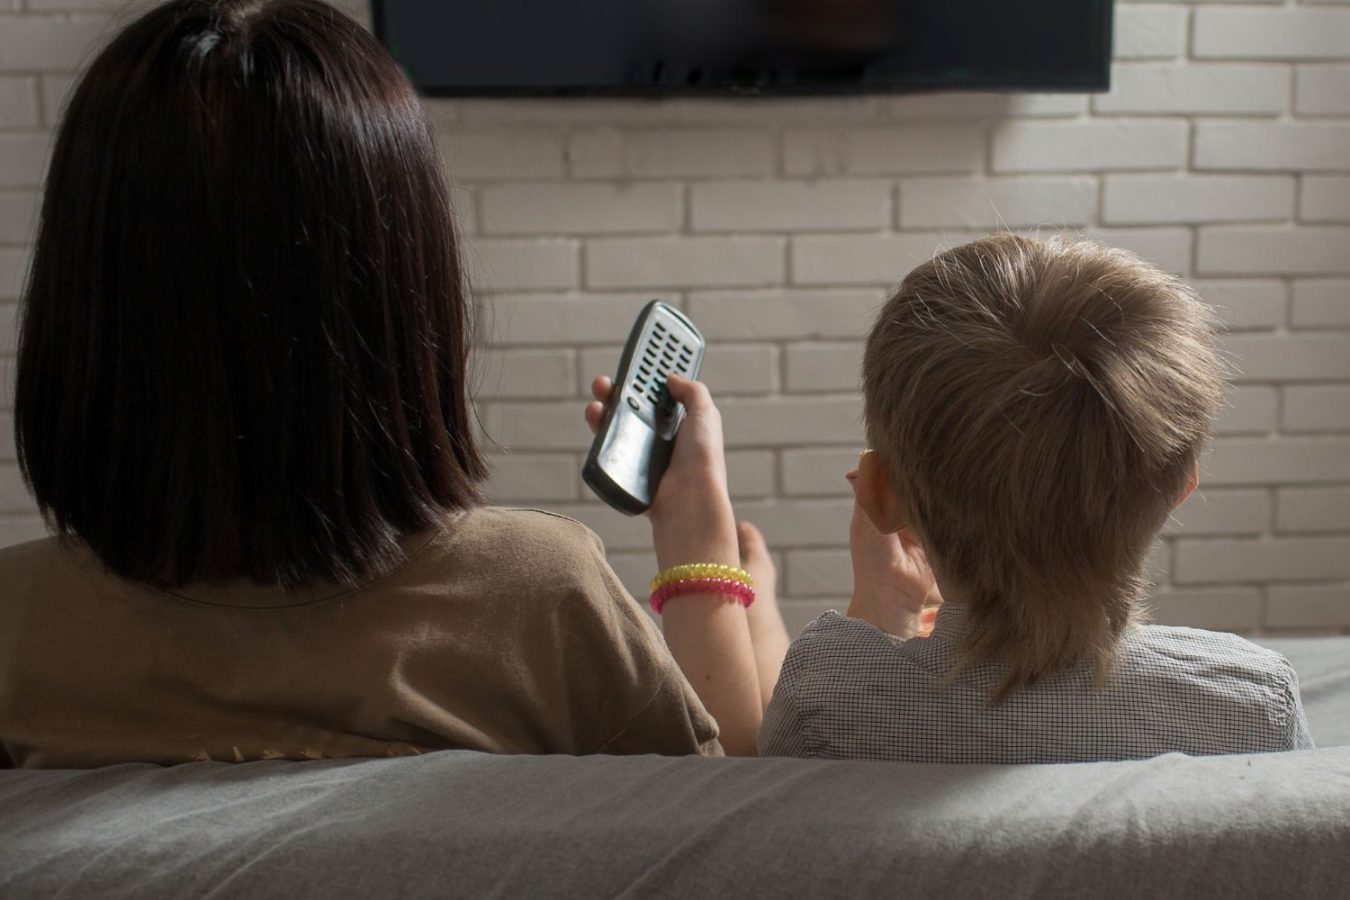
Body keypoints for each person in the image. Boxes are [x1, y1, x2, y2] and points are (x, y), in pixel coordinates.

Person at [0, 0, 787, 768]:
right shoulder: (541, 602)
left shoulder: (18, 626)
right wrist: (700, 549)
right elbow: (724, 818)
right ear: (403, 297)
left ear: (83, 302)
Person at [759, 234, 1314, 763]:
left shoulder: (825, 704)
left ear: (879, 496)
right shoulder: (1255, 707)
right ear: (1182, 484)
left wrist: (883, 606)